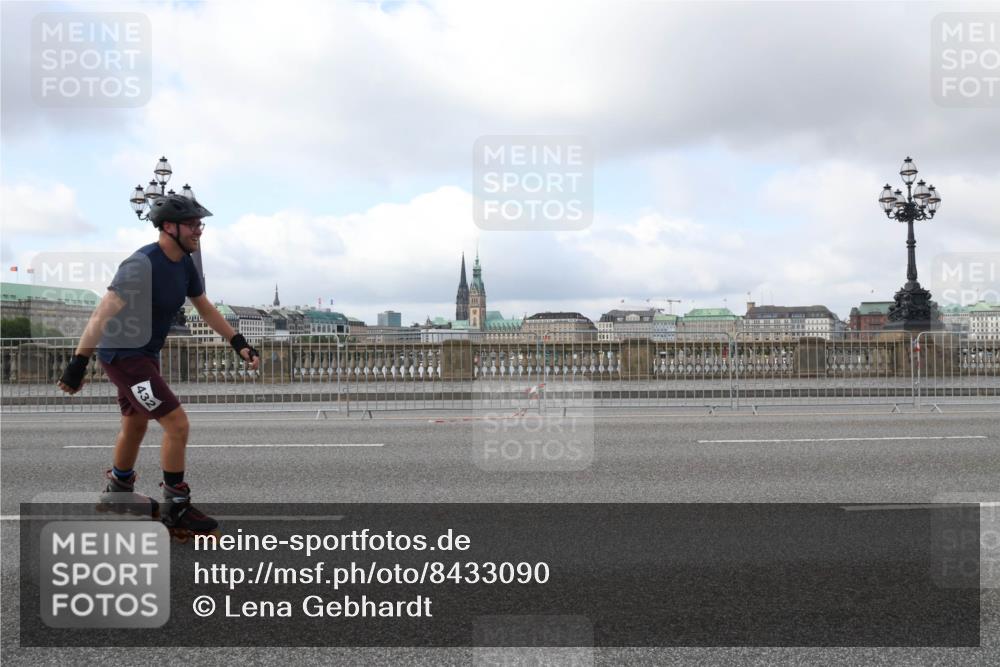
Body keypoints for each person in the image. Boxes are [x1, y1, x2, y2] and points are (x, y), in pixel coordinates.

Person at [57, 194, 260, 538]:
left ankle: (119, 493)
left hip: (143, 355)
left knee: (135, 424)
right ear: (169, 226)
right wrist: (78, 362)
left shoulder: (183, 263)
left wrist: (238, 342)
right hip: (125, 355)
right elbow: (102, 313)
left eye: (200, 224)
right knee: (177, 424)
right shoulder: (141, 264)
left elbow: (205, 307)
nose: (200, 231)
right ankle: (176, 508)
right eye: (194, 224)